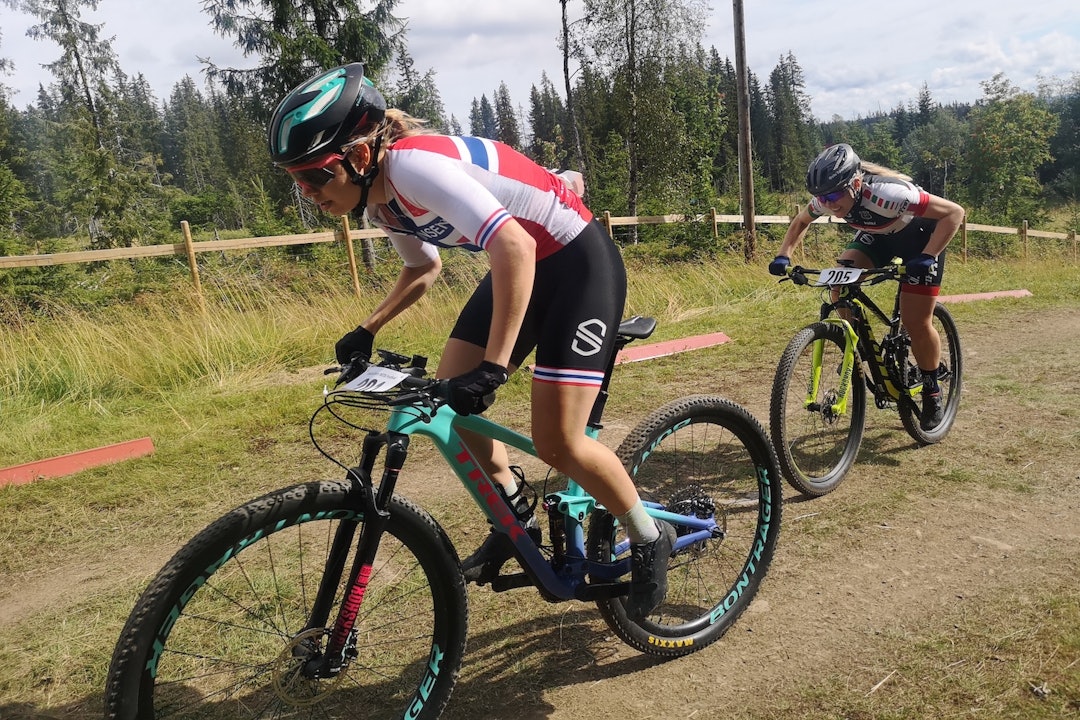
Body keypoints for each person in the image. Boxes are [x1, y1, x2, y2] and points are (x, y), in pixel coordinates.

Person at [267, 62, 675, 618]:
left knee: (558, 441)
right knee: (448, 405)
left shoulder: (413, 167)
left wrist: (496, 368)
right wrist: (368, 327)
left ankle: (650, 537)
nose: (308, 193)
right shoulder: (381, 199)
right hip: (523, 263)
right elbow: (423, 269)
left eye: (313, 176)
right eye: (296, 181)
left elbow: (514, 245)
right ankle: (514, 518)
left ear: (359, 156)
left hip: (576, 262)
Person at [769, 143, 965, 431]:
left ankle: (932, 388)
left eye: (835, 195)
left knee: (915, 321)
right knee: (839, 285)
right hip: (878, 237)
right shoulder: (827, 198)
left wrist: (928, 256)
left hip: (923, 238)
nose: (830, 203)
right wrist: (784, 254)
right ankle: (857, 351)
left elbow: (954, 213)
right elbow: (801, 221)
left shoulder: (892, 194)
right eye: (823, 197)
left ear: (856, 183)